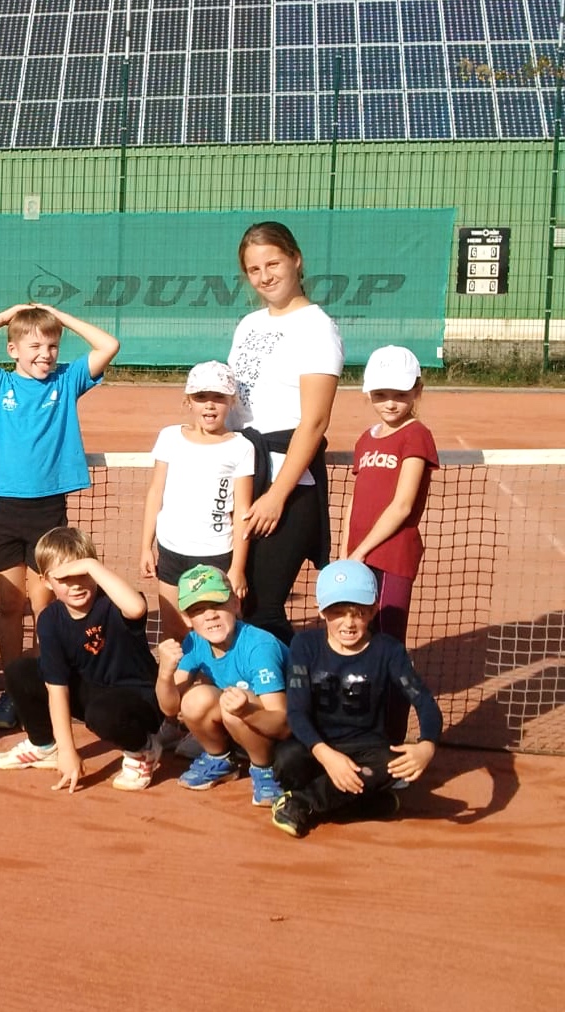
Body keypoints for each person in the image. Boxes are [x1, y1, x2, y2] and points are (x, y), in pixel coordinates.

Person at [0, 302, 119, 729]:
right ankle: (15, 687)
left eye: (52, 345)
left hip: (48, 510)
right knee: (10, 605)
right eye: (34, 346)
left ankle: (50, 686)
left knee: (44, 607)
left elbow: (109, 344)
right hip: (4, 509)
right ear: (12, 349)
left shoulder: (68, 381)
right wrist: (0, 317)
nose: (45, 353)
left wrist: (58, 318)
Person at [227, 221, 343, 644]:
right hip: (243, 471)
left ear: (296, 260)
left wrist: (277, 495)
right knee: (234, 599)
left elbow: (314, 421)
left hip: (287, 482)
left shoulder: (316, 326)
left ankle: (292, 705)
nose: (265, 276)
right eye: (254, 270)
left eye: (272, 263)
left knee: (265, 608)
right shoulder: (249, 324)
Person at [271, 560, 442, 838]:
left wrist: (427, 746)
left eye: (358, 613)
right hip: (316, 744)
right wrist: (327, 756)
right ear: (322, 611)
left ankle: (302, 803)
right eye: (338, 612)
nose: (348, 623)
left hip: (365, 748)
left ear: (374, 610)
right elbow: (297, 712)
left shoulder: (388, 650)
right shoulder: (305, 646)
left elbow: (423, 700)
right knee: (285, 760)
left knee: (387, 767)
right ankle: (362, 803)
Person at [0, 527, 164, 792]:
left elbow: (136, 608)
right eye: (65, 578)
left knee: (103, 713)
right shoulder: (50, 620)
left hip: (139, 699)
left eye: (82, 575)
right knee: (21, 671)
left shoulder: (113, 602)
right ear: (47, 582)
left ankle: (143, 749)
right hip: (93, 694)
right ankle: (44, 746)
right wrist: (67, 752)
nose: (76, 584)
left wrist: (91, 564)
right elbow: (56, 688)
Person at [342, 345, 439, 744]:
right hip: (358, 556)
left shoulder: (417, 436)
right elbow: (355, 497)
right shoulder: (366, 439)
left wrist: (362, 551)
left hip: (392, 556)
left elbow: (401, 505)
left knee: (389, 646)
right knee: (359, 642)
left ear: (417, 390)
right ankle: (364, 730)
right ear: (368, 394)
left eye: (400, 394)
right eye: (381, 394)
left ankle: (394, 738)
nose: (390, 403)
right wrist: (347, 554)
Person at [153, 566, 289, 805]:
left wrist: (245, 711)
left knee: (233, 704)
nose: (209, 615)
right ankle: (220, 759)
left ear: (236, 604)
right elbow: (171, 709)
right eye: (197, 610)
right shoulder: (194, 643)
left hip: (285, 737)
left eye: (217, 605)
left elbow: (283, 724)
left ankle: (264, 768)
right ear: (187, 619)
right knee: (195, 700)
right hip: (244, 724)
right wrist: (165, 673)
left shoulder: (260, 647)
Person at [139, 361, 254, 636]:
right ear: (188, 401)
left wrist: (237, 567)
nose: (210, 405)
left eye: (218, 398)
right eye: (201, 397)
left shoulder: (242, 447)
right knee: (174, 632)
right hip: (171, 552)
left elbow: (242, 511)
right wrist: (146, 546)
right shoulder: (169, 437)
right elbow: (156, 491)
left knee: (215, 634)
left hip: (216, 554)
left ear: (232, 402)